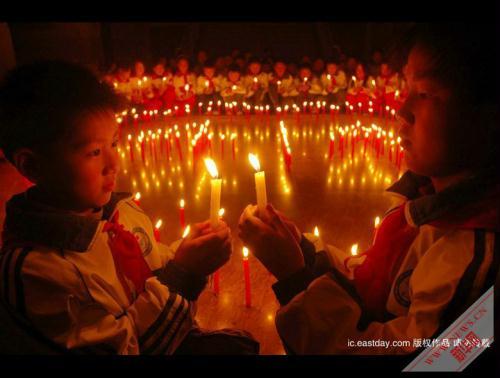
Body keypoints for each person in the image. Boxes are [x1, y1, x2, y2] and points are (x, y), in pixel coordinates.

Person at [238, 23, 499, 355]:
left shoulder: (477, 263)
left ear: (488, 120)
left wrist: (295, 280)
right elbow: (372, 279)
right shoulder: (422, 202)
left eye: (424, 93)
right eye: (406, 88)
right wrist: (304, 252)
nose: (401, 110)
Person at [0, 61, 259, 355]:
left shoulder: (121, 211)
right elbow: (124, 349)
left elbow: (151, 267)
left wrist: (186, 251)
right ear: (32, 165)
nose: (114, 163)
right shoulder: (36, 270)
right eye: (95, 152)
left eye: (115, 143)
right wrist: (184, 275)